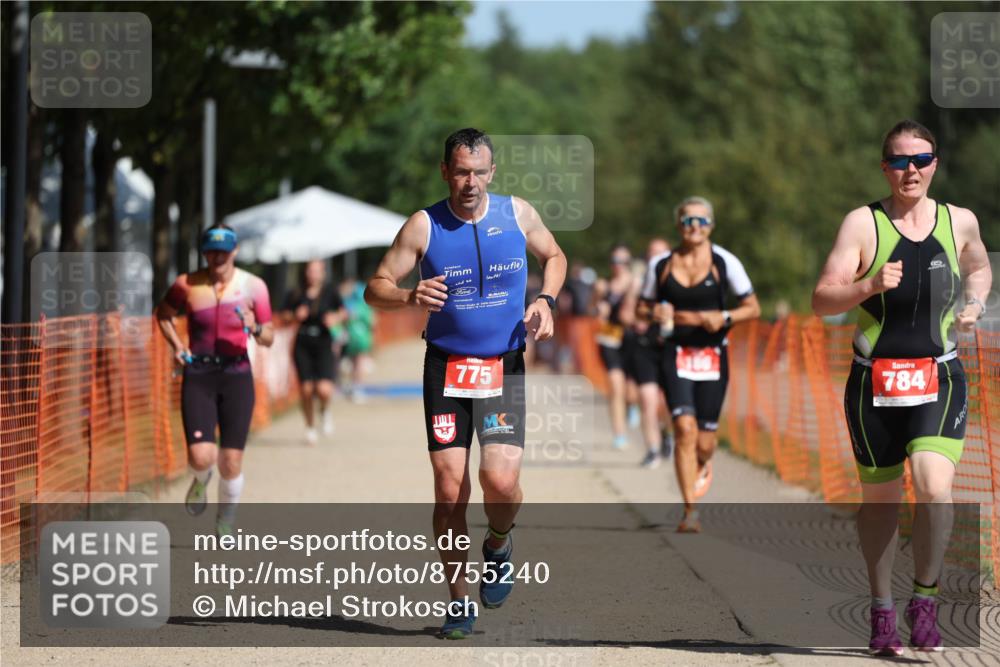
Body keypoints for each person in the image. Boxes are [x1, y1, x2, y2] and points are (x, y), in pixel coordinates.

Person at [364, 128, 566, 639]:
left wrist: (546, 300)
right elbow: (375, 287)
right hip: (446, 367)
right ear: (445, 172)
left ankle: (498, 542)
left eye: (478, 172)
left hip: (502, 365)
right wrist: (409, 296)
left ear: (491, 173)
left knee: (500, 482)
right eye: (460, 172)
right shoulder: (424, 224)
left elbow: (555, 256)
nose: (470, 182)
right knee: (450, 488)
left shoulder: (517, 213)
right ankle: (458, 601)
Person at [812, 119, 991, 655]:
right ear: (884, 166)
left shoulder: (959, 221)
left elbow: (979, 267)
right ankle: (882, 606)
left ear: (935, 164)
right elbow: (822, 299)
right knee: (881, 502)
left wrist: (975, 304)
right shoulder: (862, 225)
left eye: (920, 160)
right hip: (874, 383)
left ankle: (925, 600)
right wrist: (867, 285)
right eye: (898, 160)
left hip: (939, 375)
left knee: (934, 486)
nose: (909, 170)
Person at [640, 197, 760, 532]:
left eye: (702, 221)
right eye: (688, 220)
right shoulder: (661, 265)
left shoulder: (725, 262)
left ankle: (704, 462)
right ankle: (690, 511)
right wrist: (655, 312)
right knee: (683, 429)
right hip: (675, 352)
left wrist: (724, 316)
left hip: (713, 355)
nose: (695, 227)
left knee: (705, 441)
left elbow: (753, 307)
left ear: (711, 226)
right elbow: (640, 309)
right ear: (678, 225)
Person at [156, 225, 274, 537]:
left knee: (231, 461)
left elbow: (269, 336)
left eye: (223, 251)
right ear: (204, 253)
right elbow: (163, 314)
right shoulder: (187, 283)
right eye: (211, 251)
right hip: (199, 374)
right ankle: (200, 478)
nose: (217, 257)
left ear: (235, 251)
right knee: (201, 457)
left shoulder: (254, 286)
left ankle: (225, 521)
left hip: (236, 375)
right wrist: (177, 346)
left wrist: (255, 327)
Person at [282, 260, 346, 445]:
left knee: (324, 389)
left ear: (323, 273)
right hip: (302, 342)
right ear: (305, 272)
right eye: (310, 270)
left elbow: (344, 313)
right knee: (306, 389)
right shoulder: (296, 293)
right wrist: (295, 315)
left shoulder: (330, 292)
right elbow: (284, 316)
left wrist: (335, 318)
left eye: (317, 271)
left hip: (324, 341)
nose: (313, 274)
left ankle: (324, 411)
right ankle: (309, 427)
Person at [624, 237, 673, 468]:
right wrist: (638, 319)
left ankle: (667, 434)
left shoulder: (677, 282)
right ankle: (652, 449)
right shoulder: (639, 283)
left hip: (670, 348)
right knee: (647, 401)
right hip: (644, 348)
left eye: (661, 253)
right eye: (652, 253)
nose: (656, 257)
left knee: (667, 404)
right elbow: (625, 315)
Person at [591, 244, 638, 450]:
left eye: (623, 261)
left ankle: (633, 404)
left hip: (632, 340)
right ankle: (619, 434)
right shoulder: (604, 286)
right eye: (615, 261)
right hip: (609, 339)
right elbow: (590, 308)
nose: (618, 265)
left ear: (629, 263)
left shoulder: (637, 284)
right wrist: (598, 306)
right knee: (616, 387)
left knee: (631, 390)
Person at [341, 278, 375, 403]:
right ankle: (357, 388)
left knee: (353, 364)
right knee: (358, 364)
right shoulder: (363, 306)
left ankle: (352, 387)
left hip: (350, 338)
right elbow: (371, 322)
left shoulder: (347, 304)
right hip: (360, 339)